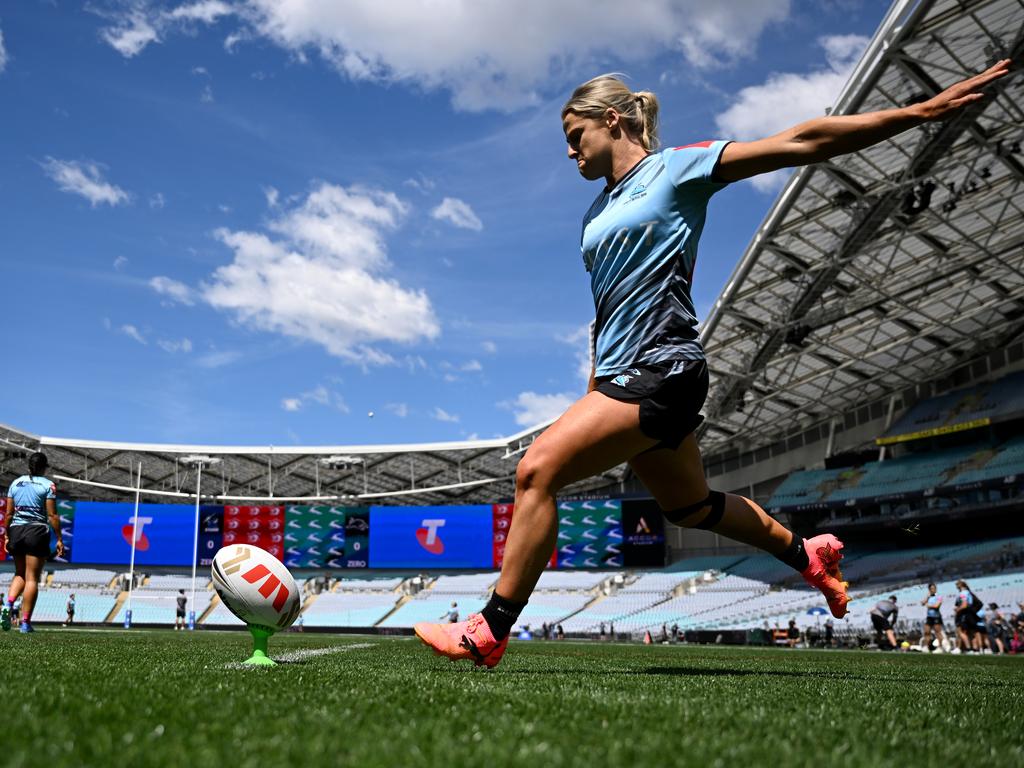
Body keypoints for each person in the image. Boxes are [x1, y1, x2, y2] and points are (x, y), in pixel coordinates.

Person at [412, 60, 1013, 668]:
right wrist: (593, 387)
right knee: (691, 507)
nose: (570, 153)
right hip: (624, 375)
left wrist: (915, 113)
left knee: (536, 472)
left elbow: (800, 141)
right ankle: (807, 554)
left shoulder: (676, 169)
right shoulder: (594, 216)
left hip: (665, 366)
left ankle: (488, 630)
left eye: (576, 137)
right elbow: (606, 311)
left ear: (611, 120)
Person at [3, 452, 64, 633]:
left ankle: (8, 604)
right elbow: (52, 515)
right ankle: (25, 623)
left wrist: (7, 536)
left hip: (16, 531)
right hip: (36, 531)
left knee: (19, 573)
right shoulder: (48, 485)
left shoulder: (15, 483)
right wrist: (59, 538)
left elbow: (8, 514)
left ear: (29, 466)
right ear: (45, 467)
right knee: (32, 579)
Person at [921, 583, 945, 652]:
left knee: (937, 632)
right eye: (931, 589)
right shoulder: (929, 597)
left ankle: (940, 647)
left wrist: (928, 605)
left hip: (936, 617)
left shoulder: (939, 596)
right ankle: (926, 646)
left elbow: (936, 606)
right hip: (929, 617)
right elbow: (922, 603)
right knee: (927, 632)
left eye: (934, 588)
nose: (933, 590)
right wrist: (927, 597)